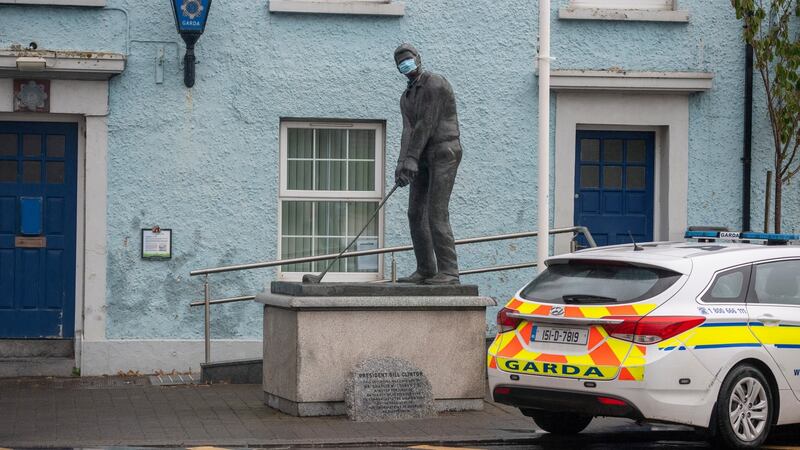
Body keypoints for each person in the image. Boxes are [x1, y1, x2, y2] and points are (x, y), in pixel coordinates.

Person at [393, 43, 462, 285]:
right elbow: (408, 129)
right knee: (415, 212)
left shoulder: (435, 83)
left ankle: (449, 271)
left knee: (436, 211)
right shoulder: (406, 96)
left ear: (418, 59)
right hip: (420, 155)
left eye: (408, 59)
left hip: (444, 150)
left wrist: (411, 158)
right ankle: (426, 269)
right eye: (400, 62)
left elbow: (427, 122)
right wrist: (402, 163)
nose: (405, 64)